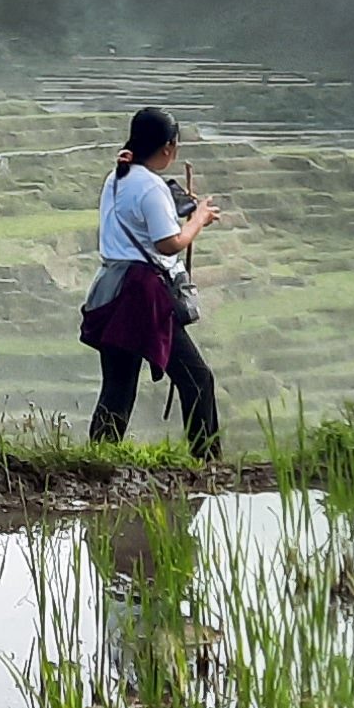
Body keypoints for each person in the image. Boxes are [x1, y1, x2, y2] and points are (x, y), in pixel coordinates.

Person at [80, 106, 222, 458]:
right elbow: (168, 243)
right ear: (168, 147)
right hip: (143, 295)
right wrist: (199, 219)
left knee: (117, 388)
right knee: (197, 379)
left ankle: (98, 462)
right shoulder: (152, 188)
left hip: (112, 288)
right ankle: (206, 464)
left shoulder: (117, 177)